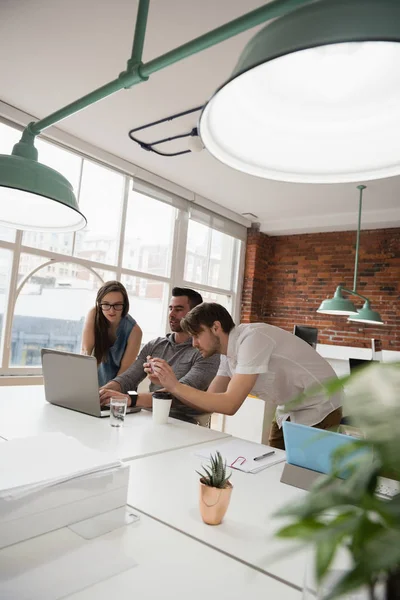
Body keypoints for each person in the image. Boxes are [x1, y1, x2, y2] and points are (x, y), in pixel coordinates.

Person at [149, 302, 342, 449]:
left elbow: (229, 404)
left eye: (197, 335)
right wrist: (167, 385)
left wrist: (176, 386)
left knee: (305, 476)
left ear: (216, 327)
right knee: (275, 467)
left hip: (321, 405)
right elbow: (208, 401)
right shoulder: (227, 353)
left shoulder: (252, 339)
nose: (193, 344)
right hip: (289, 407)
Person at [99, 288, 220, 425]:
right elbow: (129, 378)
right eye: (170, 309)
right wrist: (102, 392)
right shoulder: (155, 345)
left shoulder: (206, 352)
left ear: (195, 314)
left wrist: (130, 399)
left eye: (178, 309)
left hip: (185, 422)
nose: (171, 314)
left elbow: (180, 393)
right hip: (150, 416)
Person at [82, 281, 142, 387]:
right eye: (106, 304)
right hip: (92, 386)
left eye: (117, 305)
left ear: (125, 305)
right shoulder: (94, 314)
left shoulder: (135, 331)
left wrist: (106, 392)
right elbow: (85, 353)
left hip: (119, 389)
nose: (111, 311)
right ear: (100, 304)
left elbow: (123, 374)